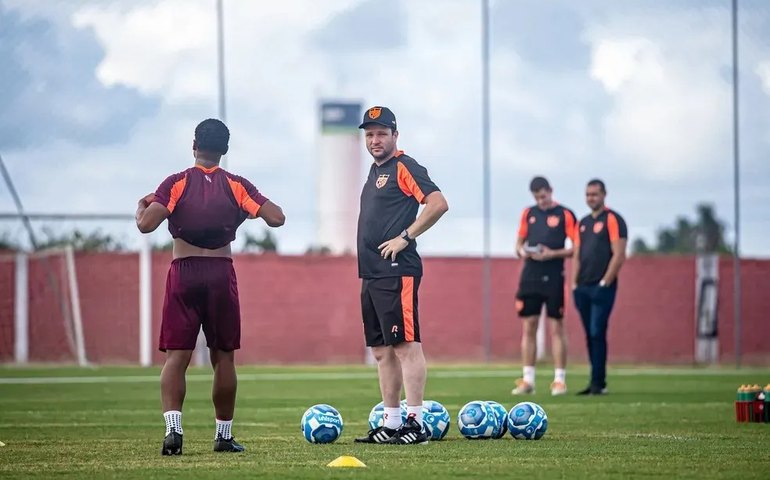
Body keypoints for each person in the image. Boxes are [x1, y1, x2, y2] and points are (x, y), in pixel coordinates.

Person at [135, 118, 285, 455]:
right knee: (224, 357)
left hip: (183, 273)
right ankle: (224, 436)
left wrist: (142, 206)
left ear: (194, 146)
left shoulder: (175, 183)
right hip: (220, 272)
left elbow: (146, 225)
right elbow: (277, 217)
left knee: (177, 357)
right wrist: (246, 211)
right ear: (225, 150)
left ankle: (174, 432)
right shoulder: (236, 185)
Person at [353, 106, 449, 445]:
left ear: (395, 135)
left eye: (381, 133)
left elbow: (437, 203)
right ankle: (392, 423)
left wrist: (406, 237)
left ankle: (416, 423)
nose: (375, 140)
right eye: (369, 134)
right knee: (381, 351)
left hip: (397, 271)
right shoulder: (375, 170)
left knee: (406, 345)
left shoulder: (405, 166)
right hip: (372, 274)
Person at [512, 177, 577, 396]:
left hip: (554, 275)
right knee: (529, 325)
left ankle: (559, 380)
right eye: (537, 197)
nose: (541, 200)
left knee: (556, 326)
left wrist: (552, 254)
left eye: (543, 195)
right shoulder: (528, 214)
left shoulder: (565, 214)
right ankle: (527, 380)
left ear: (551, 191)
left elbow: (576, 247)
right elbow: (518, 245)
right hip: (530, 275)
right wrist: (524, 252)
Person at [572, 179, 627, 395]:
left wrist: (606, 281)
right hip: (582, 287)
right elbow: (577, 254)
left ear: (604, 194)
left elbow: (619, 253)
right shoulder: (582, 222)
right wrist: (574, 283)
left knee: (597, 331)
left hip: (602, 287)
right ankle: (594, 381)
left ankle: (599, 382)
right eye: (587, 194)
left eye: (594, 194)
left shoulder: (613, 219)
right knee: (589, 334)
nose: (590, 198)